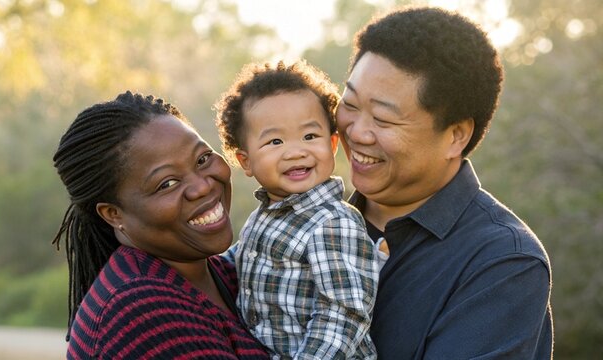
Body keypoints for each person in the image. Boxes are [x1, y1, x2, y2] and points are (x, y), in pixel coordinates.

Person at [336, 6, 554, 359]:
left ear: (455, 135)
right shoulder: (315, 223)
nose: (357, 132)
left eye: (383, 119)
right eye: (349, 103)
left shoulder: (503, 262)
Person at [51, 91, 270, 359]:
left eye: (202, 159)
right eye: (167, 183)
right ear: (113, 214)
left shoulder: (228, 274)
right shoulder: (140, 310)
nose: (202, 186)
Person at [215, 60, 379, 359]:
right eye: (275, 141)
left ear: (332, 144)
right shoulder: (265, 216)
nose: (295, 151)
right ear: (246, 161)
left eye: (309, 136)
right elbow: (240, 262)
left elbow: (343, 314)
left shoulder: (333, 223)